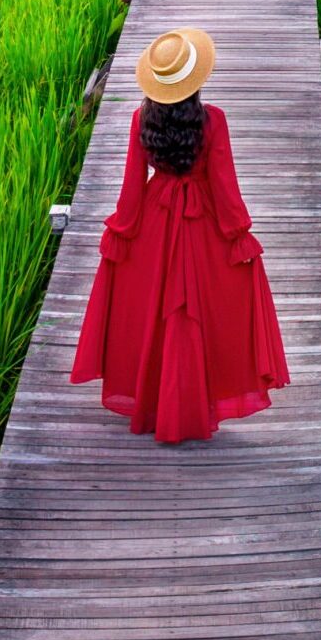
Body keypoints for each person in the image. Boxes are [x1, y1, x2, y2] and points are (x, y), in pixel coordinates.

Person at [70, 26, 290, 443]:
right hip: (202, 221)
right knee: (196, 314)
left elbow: (132, 188)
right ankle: (189, 404)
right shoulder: (214, 121)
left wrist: (121, 231)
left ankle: (156, 404)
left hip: (156, 219)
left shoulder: (141, 119)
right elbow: (225, 187)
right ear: (196, 79)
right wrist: (238, 234)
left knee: (154, 310)